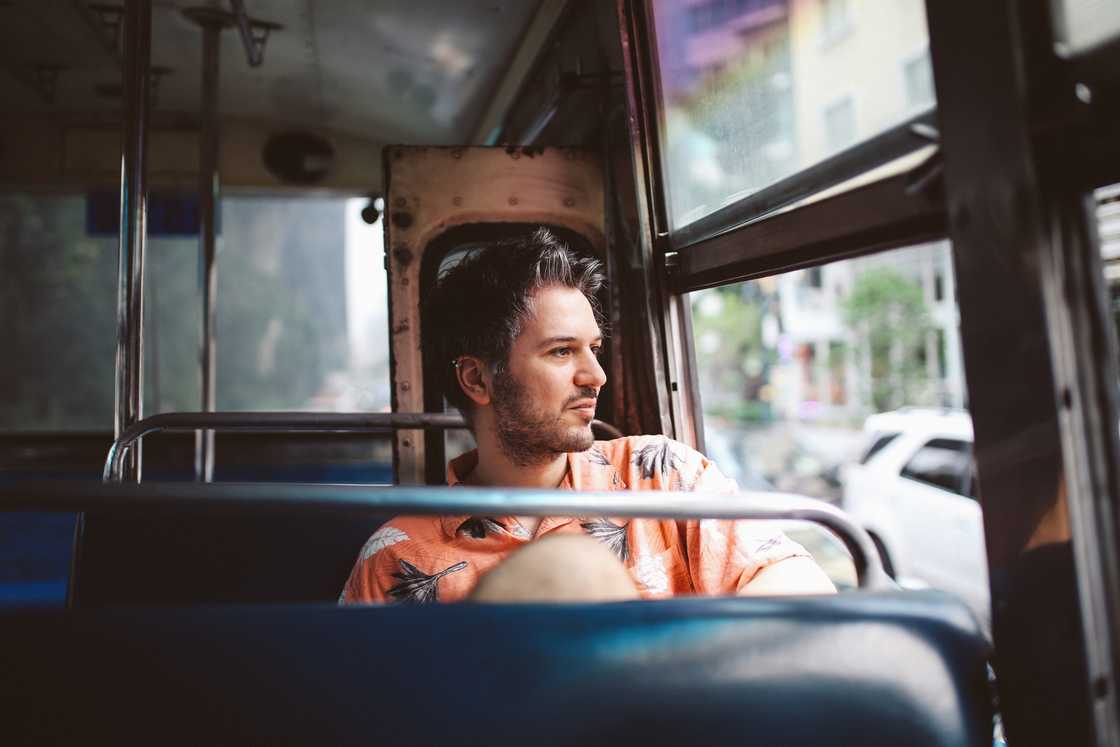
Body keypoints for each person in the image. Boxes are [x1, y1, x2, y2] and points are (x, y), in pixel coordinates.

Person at [340, 228, 834, 604]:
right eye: (561, 352)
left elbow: (797, 580)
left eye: (594, 349)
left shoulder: (662, 474)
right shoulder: (397, 558)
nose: (595, 375)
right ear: (477, 380)